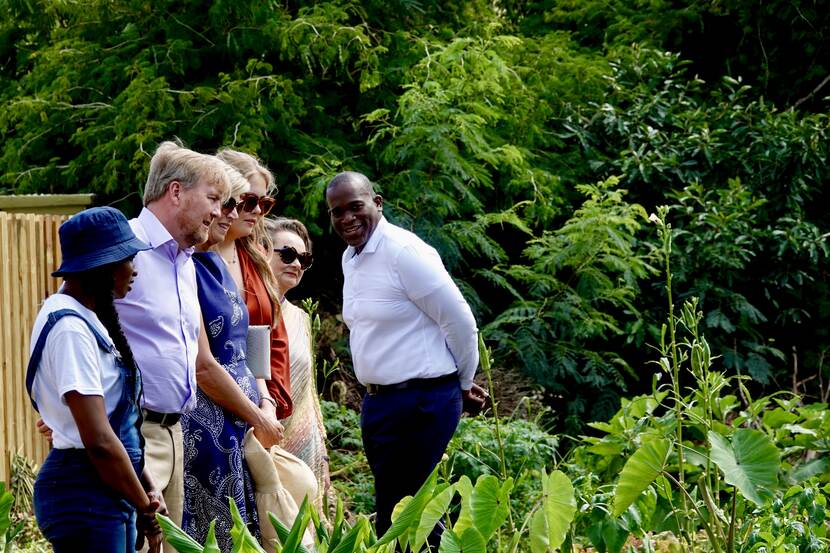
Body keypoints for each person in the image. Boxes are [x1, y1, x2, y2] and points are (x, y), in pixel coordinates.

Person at [325, 171, 488, 536]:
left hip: (423, 401)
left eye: (356, 207)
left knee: (413, 514)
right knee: (392, 512)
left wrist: (463, 383)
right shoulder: (351, 258)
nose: (347, 218)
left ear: (377, 203)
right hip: (380, 404)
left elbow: (460, 321)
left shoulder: (404, 252)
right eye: (337, 212)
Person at [114, 141, 233, 552]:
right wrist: (62, 408)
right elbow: (70, 319)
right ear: (176, 192)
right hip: (132, 433)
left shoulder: (184, 260)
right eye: (214, 198)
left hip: (174, 433)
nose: (220, 212)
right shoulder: (124, 245)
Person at [27, 207, 163, 552]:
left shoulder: (87, 318)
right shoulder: (69, 328)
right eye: (129, 259)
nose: (134, 271)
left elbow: (118, 429)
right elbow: (99, 440)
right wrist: (144, 508)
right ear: (104, 266)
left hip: (108, 486)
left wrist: (144, 484)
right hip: (84, 492)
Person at [181, 164, 280, 550]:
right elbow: (204, 365)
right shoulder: (188, 265)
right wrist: (256, 414)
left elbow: (252, 339)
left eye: (246, 203)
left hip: (242, 419)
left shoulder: (231, 260)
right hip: (210, 422)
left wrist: (266, 401)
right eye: (229, 204)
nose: (237, 213)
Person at [215, 148, 293, 418]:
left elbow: (271, 338)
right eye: (249, 201)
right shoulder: (194, 257)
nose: (258, 211)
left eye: (265, 203)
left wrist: (269, 403)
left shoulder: (256, 258)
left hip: (265, 400)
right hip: (213, 402)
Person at [265, 217, 333, 518]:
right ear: (262, 250)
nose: (296, 264)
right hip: (258, 441)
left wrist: (320, 446)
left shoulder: (300, 318)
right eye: (287, 255)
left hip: (301, 444)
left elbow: (309, 394)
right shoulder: (243, 310)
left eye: (303, 259)